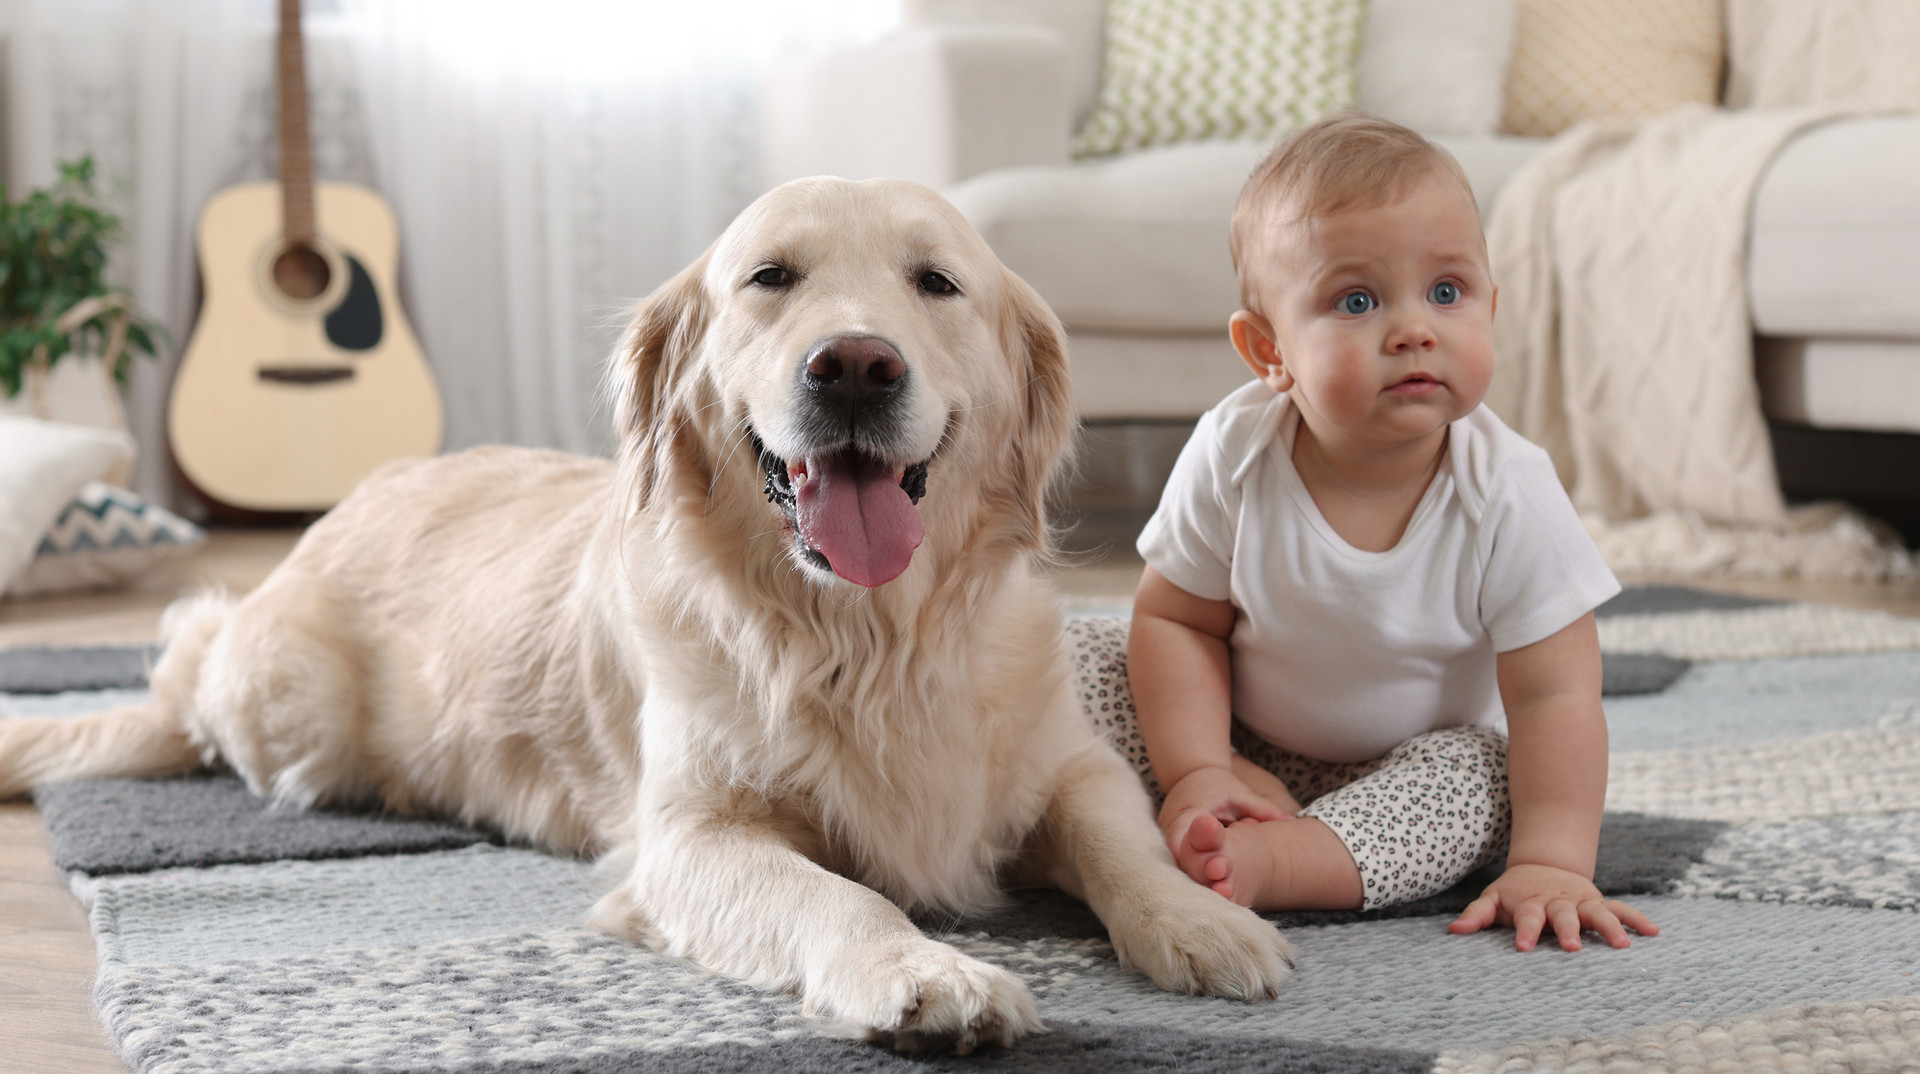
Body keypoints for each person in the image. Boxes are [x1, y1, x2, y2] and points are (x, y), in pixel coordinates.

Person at [1123, 113, 1657, 952]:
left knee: (1482, 785)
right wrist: (1199, 766)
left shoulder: (1507, 490)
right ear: (1270, 351)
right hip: (1240, 737)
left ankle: (1272, 861)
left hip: (1413, 770)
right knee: (1074, 663)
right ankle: (1217, 805)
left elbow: (1555, 693)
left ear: (1490, 303)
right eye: (1358, 301)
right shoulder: (1235, 453)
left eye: (1448, 292)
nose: (1414, 329)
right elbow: (1176, 622)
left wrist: (1553, 861)